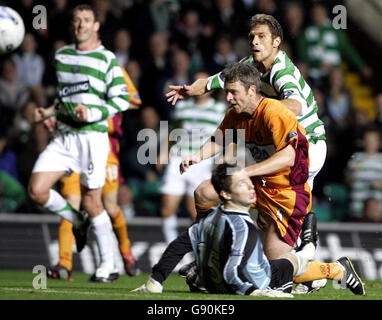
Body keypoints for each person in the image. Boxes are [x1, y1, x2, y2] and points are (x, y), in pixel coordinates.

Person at [165, 13, 325, 272]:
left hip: (309, 145)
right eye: (252, 36)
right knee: (263, 218)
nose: (255, 41)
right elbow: (217, 80)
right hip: (278, 146)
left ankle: (307, 242)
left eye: (262, 37)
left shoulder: (282, 71)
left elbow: (295, 105)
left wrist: (262, 110)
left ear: (276, 42)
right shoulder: (249, 65)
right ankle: (211, 253)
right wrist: (190, 89)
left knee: (283, 210)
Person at [132, 163, 365, 297]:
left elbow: (236, 271)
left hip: (264, 279)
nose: (250, 189)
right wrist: (156, 280)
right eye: (242, 185)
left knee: (288, 264)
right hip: (250, 278)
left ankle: (328, 263)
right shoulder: (220, 221)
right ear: (226, 194)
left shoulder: (241, 225)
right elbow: (178, 246)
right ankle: (313, 254)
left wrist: (254, 291)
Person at [28, 4, 130, 283]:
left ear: (96, 25)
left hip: (92, 138)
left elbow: (123, 99)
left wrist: (93, 113)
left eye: (86, 20)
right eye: (76, 20)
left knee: (92, 201)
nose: (81, 25)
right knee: (37, 190)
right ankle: (78, 220)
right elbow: (65, 97)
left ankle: (108, 266)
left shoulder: (107, 59)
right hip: (64, 138)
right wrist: (48, 113)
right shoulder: (62, 56)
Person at [47, 66, 142, 280]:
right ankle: (64, 264)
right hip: (73, 143)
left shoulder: (112, 68)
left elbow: (135, 100)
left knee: (108, 206)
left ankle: (125, 253)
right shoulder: (71, 66)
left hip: (104, 145)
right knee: (70, 204)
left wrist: (101, 108)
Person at [159, 71, 227, 243]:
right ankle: (171, 248)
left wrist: (224, 158)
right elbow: (172, 130)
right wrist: (163, 151)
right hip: (178, 158)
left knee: (196, 211)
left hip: (202, 161)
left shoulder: (219, 109)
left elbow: (227, 136)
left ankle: (196, 250)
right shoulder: (182, 106)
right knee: (167, 208)